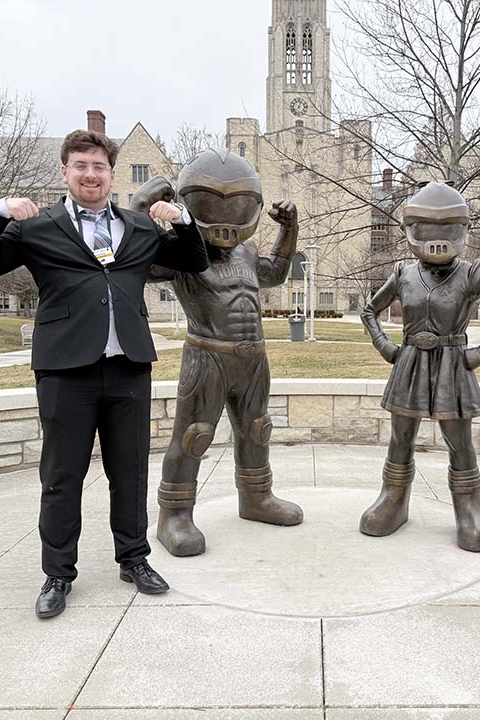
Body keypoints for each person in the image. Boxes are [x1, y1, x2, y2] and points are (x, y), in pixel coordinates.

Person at [0, 130, 209, 618]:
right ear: (65, 172)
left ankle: (134, 558)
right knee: (62, 475)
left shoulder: (138, 228)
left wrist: (181, 221)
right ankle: (58, 573)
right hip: (64, 371)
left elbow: (195, 260)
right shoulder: (38, 226)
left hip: (128, 368)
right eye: (80, 165)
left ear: (111, 175)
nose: (90, 174)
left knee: (130, 471)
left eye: (98, 166)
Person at [130, 149, 303, 557]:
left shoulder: (245, 252)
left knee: (257, 428)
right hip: (206, 356)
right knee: (193, 437)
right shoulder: (181, 252)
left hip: (252, 357)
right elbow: (135, 257)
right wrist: (140, 206)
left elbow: (276, 272)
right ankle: (173, 514)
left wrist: (289, 230)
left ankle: (257, 497)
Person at [361, 182, 480, 551]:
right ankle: (393, 500)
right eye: (428, 230)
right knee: (400, 437)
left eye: (446, 229)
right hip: (410, 364)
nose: (436, 239)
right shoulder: (403, 274)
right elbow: (369, 310)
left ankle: (468, 510)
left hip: (453, 366)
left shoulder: (472, 274)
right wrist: (386, 346)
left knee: (459, 442)